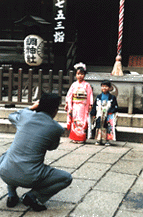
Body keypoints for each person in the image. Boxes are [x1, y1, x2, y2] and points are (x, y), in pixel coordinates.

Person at [0, 93, 72, 212]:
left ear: (38, 104)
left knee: (10, 154)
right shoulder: (56, 128)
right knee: (66, 178)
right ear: (55, 109)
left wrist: (30, 108)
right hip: (30, 177)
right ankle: (33, 195)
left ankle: (11, 195)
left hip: (4, 171)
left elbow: (11, 116)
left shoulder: (25, 115)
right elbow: (52, 147)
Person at [65, 62, 93, 143]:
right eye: (78, 74)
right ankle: (74, 137)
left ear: (84, 75)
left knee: (82, 121)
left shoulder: (87, 85)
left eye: (81, 74)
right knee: (75, 120)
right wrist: (68, 103)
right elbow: (69, 95)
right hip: (75, 105)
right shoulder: (74, 84)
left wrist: (90, 104)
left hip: (83, 106)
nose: (80, 76)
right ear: (75, 75)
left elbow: (90, 95)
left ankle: (81, 138)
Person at [90, 80, 118, 146]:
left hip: (108, 114)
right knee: (99, 126)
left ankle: (107, 140)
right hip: (99, 113)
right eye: (102, 86)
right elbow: (95, 105)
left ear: (110, 88)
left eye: (106, 86)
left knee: (107, 127)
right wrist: (93, 113)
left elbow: (115, 106)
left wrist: (111, 111)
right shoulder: (98, 97)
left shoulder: (112, 97)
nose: (104, 88)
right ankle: (98, 139)